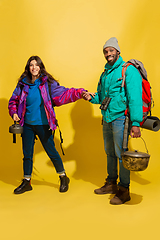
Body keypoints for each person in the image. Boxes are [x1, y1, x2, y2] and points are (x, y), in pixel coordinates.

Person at [8, 55, 88, 194]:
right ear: (28, 68)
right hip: (26, 125)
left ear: (40, 67)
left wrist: (80, 92)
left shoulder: (47, 84)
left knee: (51, 152)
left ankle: (63, 177)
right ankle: (27, 181)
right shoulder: (23, 84)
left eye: (36, 65)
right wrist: (14, 112)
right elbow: (13, 101)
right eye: (31, 65)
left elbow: (64, 93)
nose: (34, 67)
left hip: (44, 124)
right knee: (27, 154)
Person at [83, 37, 143, 204]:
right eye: (105, 51)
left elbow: (135, 98)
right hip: (107, 119)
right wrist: (90, 98)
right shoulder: (105, 73)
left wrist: (136, 123)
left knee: (122, 154)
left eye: (111, 50)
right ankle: (111, 183)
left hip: (121, 119)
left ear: (118, 51)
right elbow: (102, 97)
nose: (108, 53)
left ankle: (124, 190)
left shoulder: (128, 70)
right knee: (110, 152)